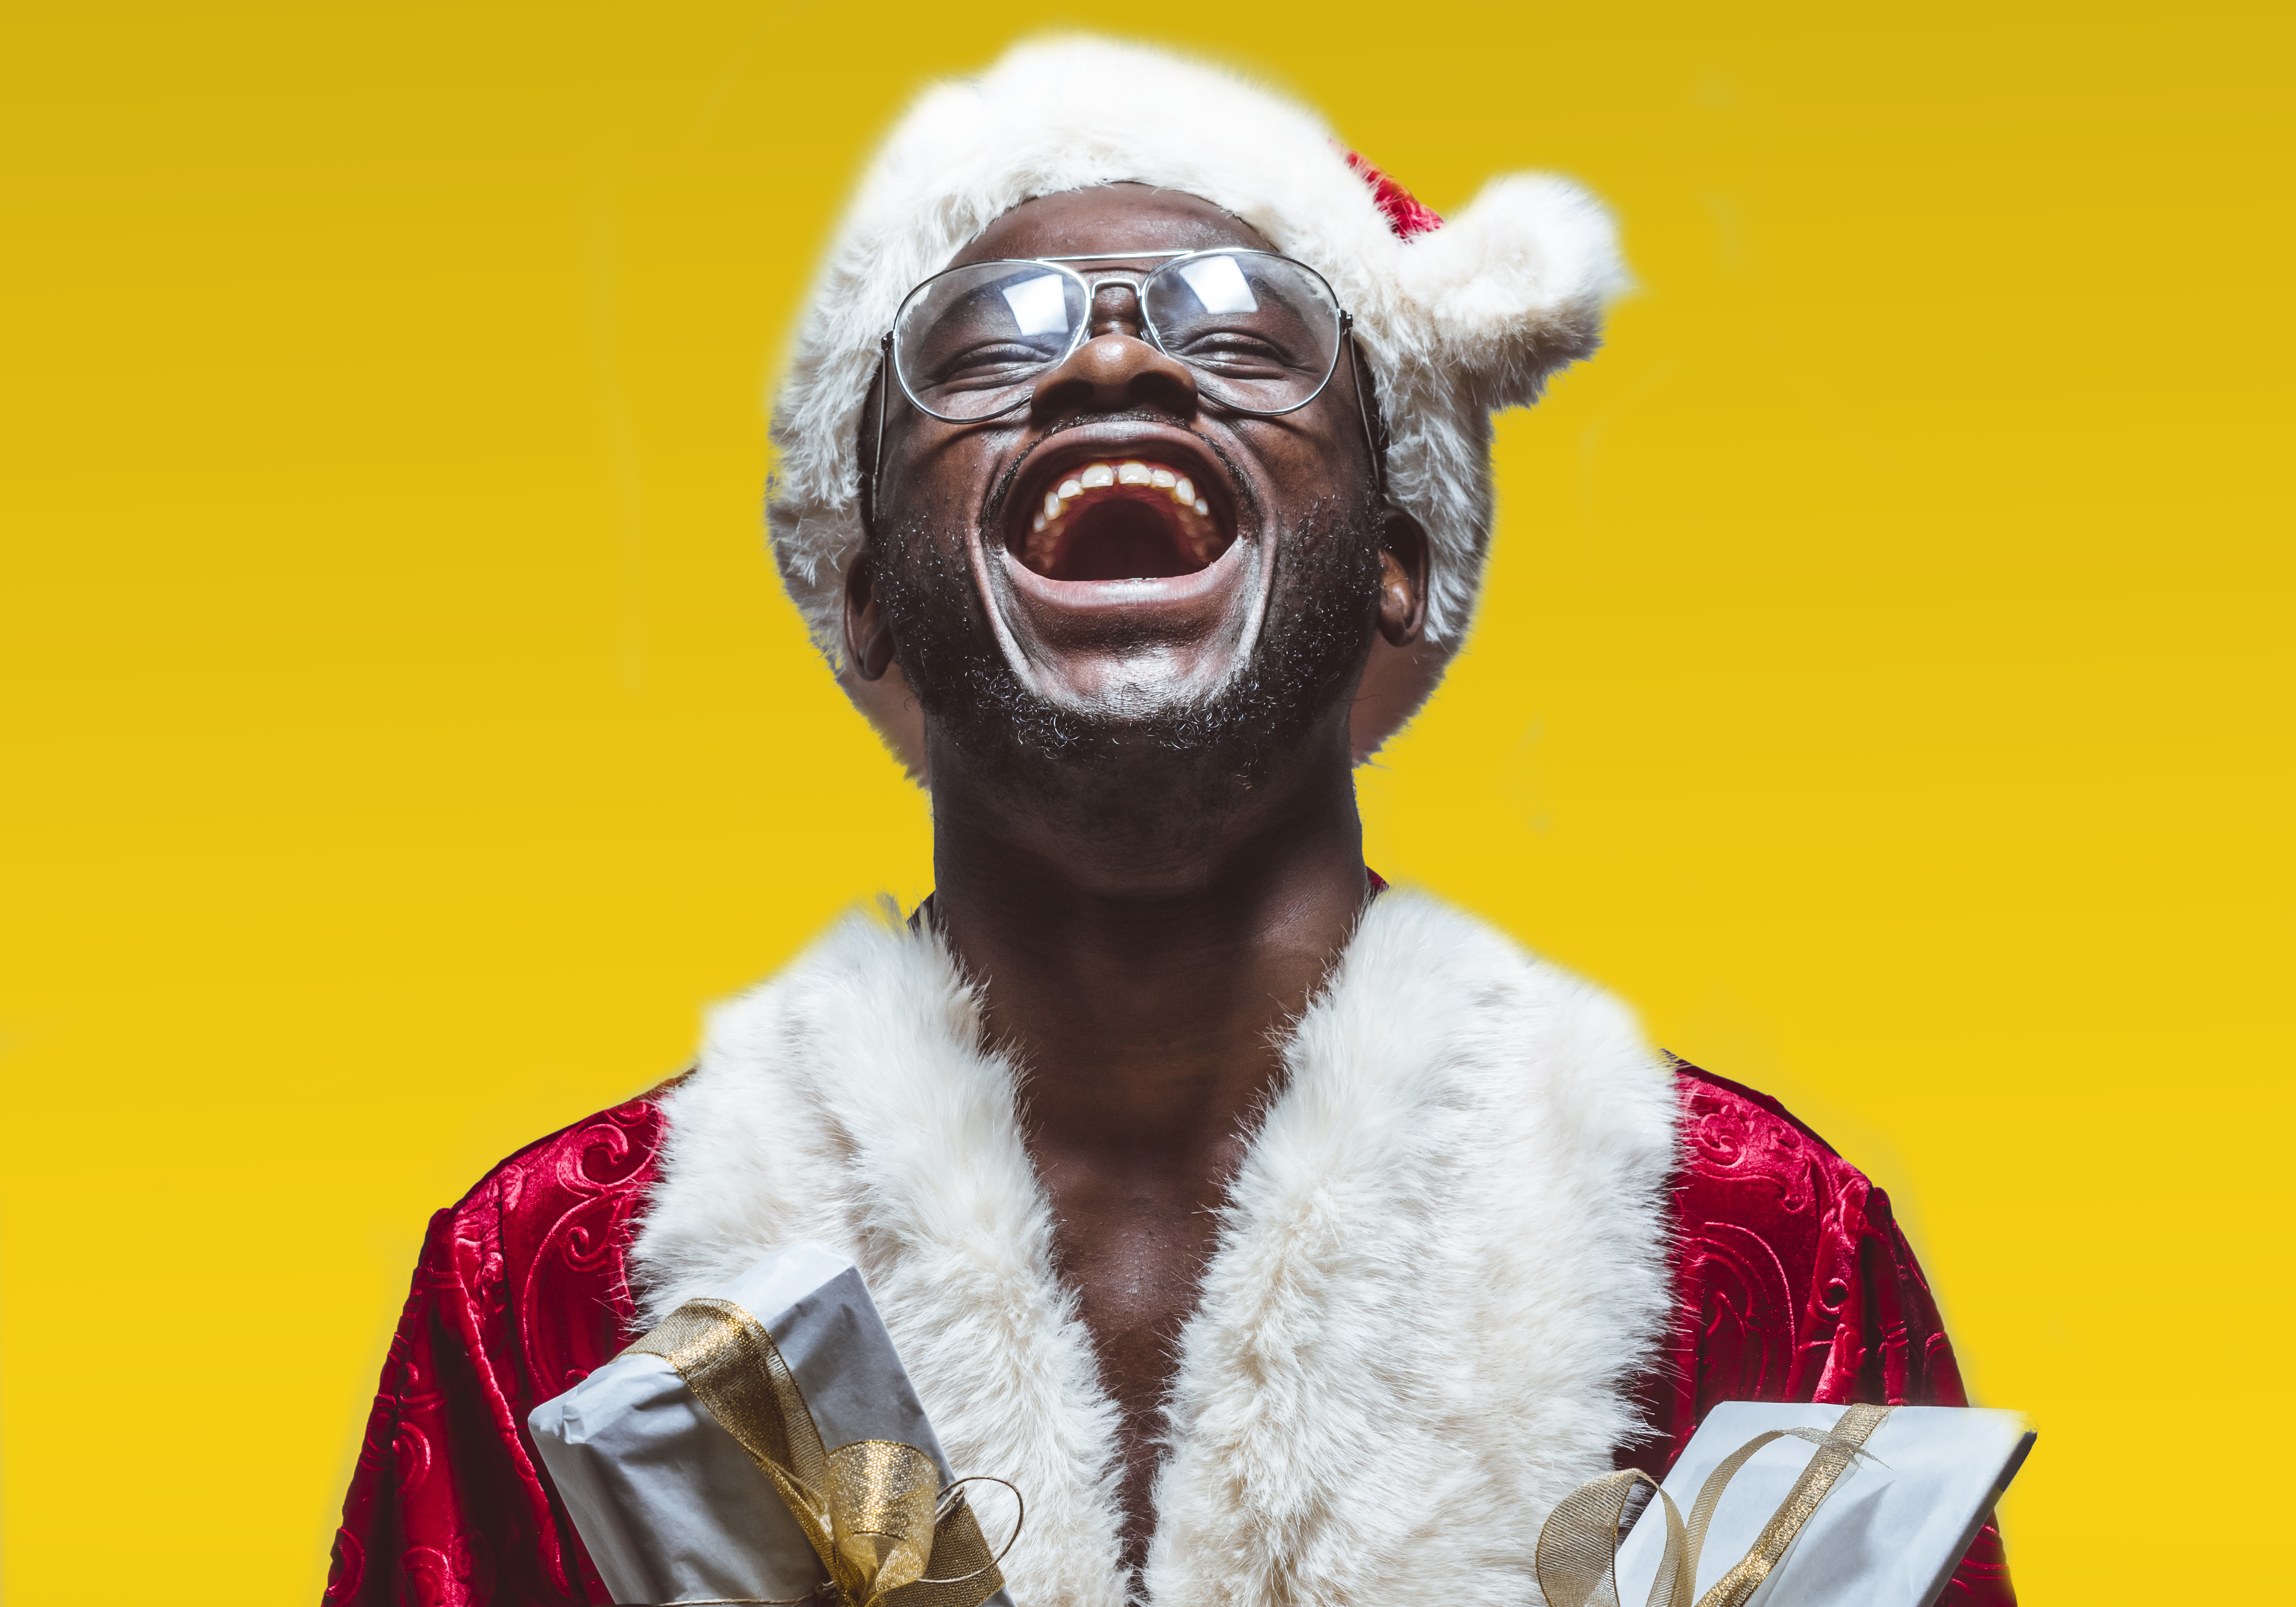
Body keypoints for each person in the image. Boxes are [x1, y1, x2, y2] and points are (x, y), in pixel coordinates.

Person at [327, 37, 2013, 1607]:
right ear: (869, 601)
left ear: (1398, 558)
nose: (1116, 356)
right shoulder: (549, 1289)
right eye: (990, 342)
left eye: (1242, 331)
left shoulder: (1759, 1243)